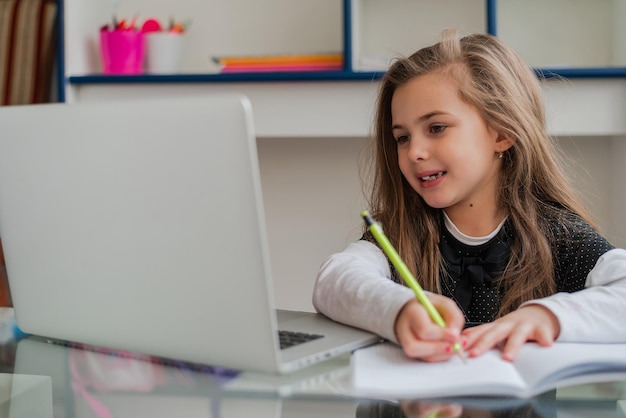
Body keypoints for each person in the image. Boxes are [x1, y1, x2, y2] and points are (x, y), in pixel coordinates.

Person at [312, 29, 626, 363]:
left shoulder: (558, 236)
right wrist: (400, 309)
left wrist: (546, 317)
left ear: (502, 133)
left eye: (436, 128)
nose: (414, 151)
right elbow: (333, 280)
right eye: (402, 137)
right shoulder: (402, 232)